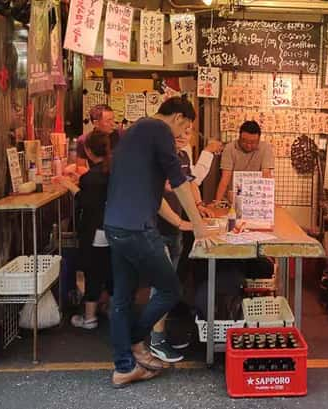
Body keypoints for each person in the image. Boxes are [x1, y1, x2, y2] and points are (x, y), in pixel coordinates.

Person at [103, 96, 212, 388]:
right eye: (186, 126)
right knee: (170, 289)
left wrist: (181, 223)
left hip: (115, 225)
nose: (184, 133)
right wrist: (200, 229)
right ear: (177, 117)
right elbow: (179, 183)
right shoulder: (160, 131)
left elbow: (154, 194)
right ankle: (137, 340)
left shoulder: (135, 131)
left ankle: (124, 366)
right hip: (138, 229)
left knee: (122, 300)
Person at [148, 126, 216, 363]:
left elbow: (190, 183)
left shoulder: (183, 157)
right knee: (162, 285)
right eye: (178, 132)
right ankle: (155, 341)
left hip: (175, 231)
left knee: (170, 283)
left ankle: (161, 334)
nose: (183, 136)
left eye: (187, 132)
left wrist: (197, 207)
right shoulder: (158, 158)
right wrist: (182, 222)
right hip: (157, 229)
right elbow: (157, 196)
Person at [68, 130, 113, 330]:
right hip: (113, 229)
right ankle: (111, 308)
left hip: (96, 231)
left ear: (87, 150)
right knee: (111, 269)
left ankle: (89, 318)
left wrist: (69, 185)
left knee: (93, 271)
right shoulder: (111, 170)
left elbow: (87, 202)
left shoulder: (91, 177)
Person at [214, 121, 275, 203]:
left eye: (253, 142)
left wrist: (268, 201)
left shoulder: (265, 148)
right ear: (239, 136)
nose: (248, 145)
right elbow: (225, 178)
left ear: (259, 139)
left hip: (256, 199)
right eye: (244, 141)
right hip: (232, 198)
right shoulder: (230, 148)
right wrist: (217, 202)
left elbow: (266, 175)